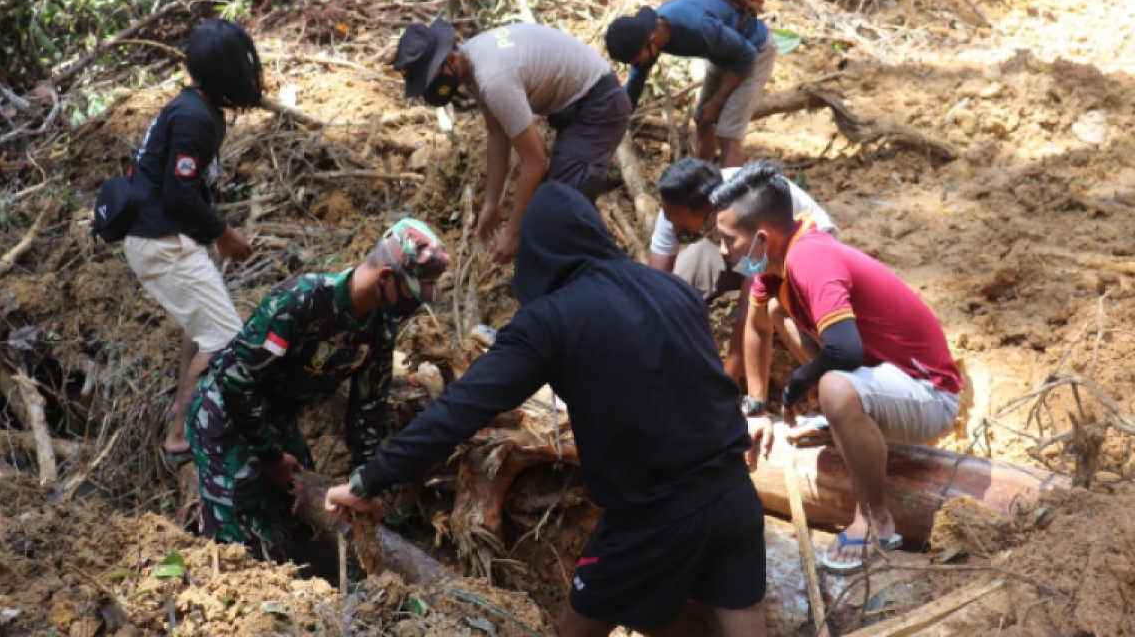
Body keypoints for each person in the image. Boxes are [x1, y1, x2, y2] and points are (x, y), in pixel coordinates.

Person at [326, 183, 773, 637]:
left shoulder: (550, 320)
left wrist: (369, 479)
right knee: (739, 621)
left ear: (537, 251)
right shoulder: (671, 289)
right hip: (734, 495)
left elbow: (463, 407)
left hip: (651, 514)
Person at [711, 161, 962, 573]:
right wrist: (756, 409)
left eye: (727, 240)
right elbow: (757, 326)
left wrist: (799, 380)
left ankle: (875, 518)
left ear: (760, 237)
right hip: (883, 375)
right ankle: (847, 419)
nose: (724, 251)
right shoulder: (775, 268)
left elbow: (845, 350)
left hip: (930, 394)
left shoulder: (811, 259)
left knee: (833, 387)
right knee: (777, 311)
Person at [185, 219, 450, 560]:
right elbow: (237, 380)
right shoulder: (301, 301)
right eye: (413, 294)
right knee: (242, 543)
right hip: (224, 416)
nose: (415, 305)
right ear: (385, 277)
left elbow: (368, 410)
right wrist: (271, 456)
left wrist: (363, 483)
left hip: (278, 418)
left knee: (303, 516)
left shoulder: (380, 327)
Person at [123, 19, 260, 459]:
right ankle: (188, 434)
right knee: (228, 342)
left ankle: (182, 425)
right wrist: (224, 234)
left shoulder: (192, 107)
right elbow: (177, 191)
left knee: (200, 333)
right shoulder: (194, 118)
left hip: (161, 234)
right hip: (161, 241)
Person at [393, 19, 632, 264]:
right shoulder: (474, 59)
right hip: (577, 109)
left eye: (431, 80)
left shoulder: (494, 78)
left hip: (598, 110)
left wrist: (513, 231)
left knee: (556, 212)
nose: (429, 89)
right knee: (564, 205)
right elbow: (497, 133)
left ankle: (610, 271)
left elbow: (536, 161)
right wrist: (491, 203)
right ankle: (594, 263)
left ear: (451, 60)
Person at [650, 159, 839, 418]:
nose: (676, 232)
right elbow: (654, 291)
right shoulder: (677, 208)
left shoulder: (750, 207)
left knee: (777, 311)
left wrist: (724, 392)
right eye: (679, 232)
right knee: (681, 280)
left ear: (714, 210)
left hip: (792, 251)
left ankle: (830, 387)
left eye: (686, 231)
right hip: (738, 242)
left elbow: (748, 316)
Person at [606, 0, 776, 168]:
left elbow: (746, 55)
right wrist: (618, 120)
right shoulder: (651, 34)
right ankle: (699, 182)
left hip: (754, 51)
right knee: (703, 119)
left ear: (652, 39)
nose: (639, 64)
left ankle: (730, 193)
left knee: (728, 134)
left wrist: (717, 102)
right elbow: (636, 80)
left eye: (637, 60)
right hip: (723, 54)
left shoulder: (698, 27)